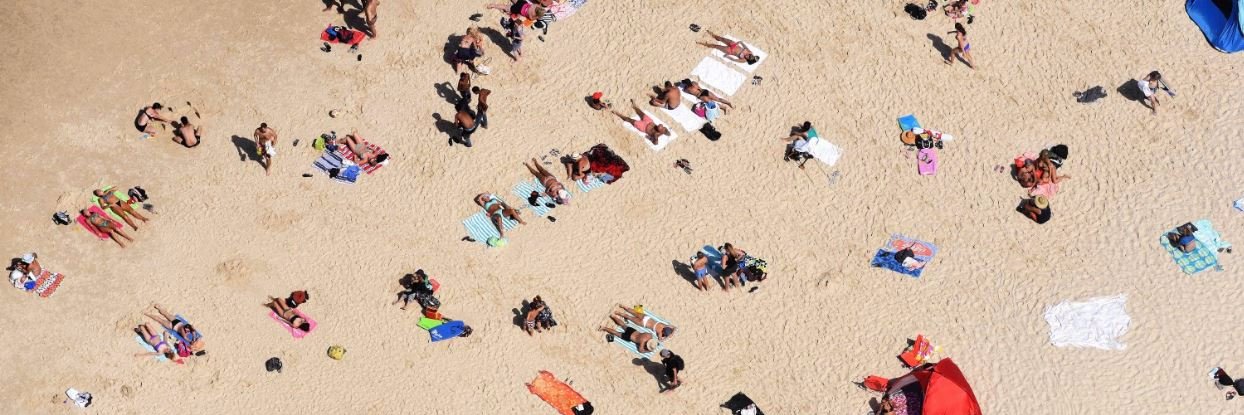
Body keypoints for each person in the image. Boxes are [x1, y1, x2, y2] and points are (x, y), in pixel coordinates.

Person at [608, 304, 676, 340]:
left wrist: (672, 332)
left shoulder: (664, 325)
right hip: (644, 324)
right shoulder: (660, 333)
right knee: (629, 317)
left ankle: (623, 306)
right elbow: (660, 339)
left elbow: (674, 327)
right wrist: (667, 337)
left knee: (633, 311)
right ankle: (616, 313)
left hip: (647, 318)